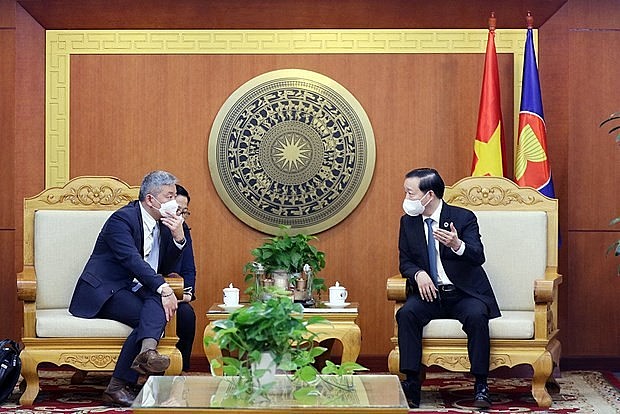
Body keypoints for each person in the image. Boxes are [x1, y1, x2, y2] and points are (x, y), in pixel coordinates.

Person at [69, 170, 188, 407]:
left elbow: (167, 267)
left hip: (138, 288)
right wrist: (164, 289)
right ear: (151, 200)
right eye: (169, 196)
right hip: (105, 290)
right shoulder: (121, 219)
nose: (174, 203)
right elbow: (131, 260)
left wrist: (178, 238)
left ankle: (143, 357)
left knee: (156, 304)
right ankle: (121, 382)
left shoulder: (165, 224)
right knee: (155, 309)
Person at [396, 168, 500, 409]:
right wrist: (418, 274)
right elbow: (405, 261)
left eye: (410, 193)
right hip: (429, 294)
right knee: (406, 313)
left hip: (463, 293)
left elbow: (478, 256)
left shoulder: (463, 218)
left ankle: (481, 386)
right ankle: (411, 384)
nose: (406, 199)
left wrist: (457, 244)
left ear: (429, 195)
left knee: (476, 315)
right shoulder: (408, 222)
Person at [174, 184, 197, 373]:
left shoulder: (184, 230)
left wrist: (187, 292)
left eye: (184, 212)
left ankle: (182, 369)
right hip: (150, 289)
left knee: (186, 315)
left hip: (176, 293)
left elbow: (189, 269)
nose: (180, 217)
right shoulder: (149, 228)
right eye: (177, 211)